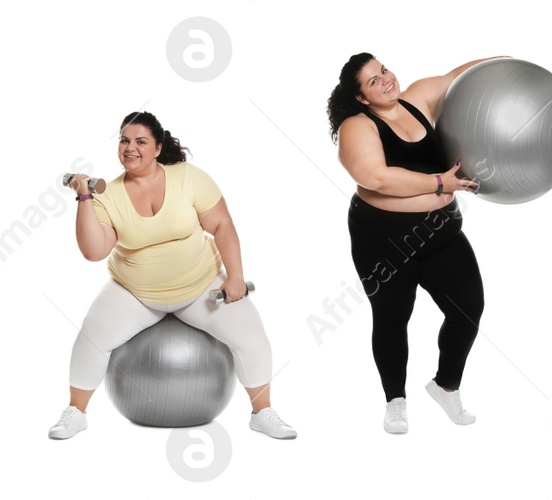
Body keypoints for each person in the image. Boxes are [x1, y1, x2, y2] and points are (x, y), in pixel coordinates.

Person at [49, 111, 295, 440]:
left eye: (140, 141)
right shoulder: (107, 195)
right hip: (135, 293)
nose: (129, 148)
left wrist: (235, 276)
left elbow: (221, 224)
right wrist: (84, 197)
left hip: (200, 286)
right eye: (124, 140)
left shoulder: (188, 178)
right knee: (92, 337)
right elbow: (94, 251)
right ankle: (75, 413)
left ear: (157, 147)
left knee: (251, 335)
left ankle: (262, 412)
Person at [327, 52, 502, 434]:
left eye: (384, 69)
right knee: (392, 319)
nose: (386, 79)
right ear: (361, 98)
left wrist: (511, 64)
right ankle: (395, 401)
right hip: (384, 241)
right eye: (373, 81)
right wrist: (441, 183)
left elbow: (462, 75)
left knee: (468, 308)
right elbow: (378, 178)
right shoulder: (357, 127)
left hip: (440, 233)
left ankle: (445, 386)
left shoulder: (419, 96)